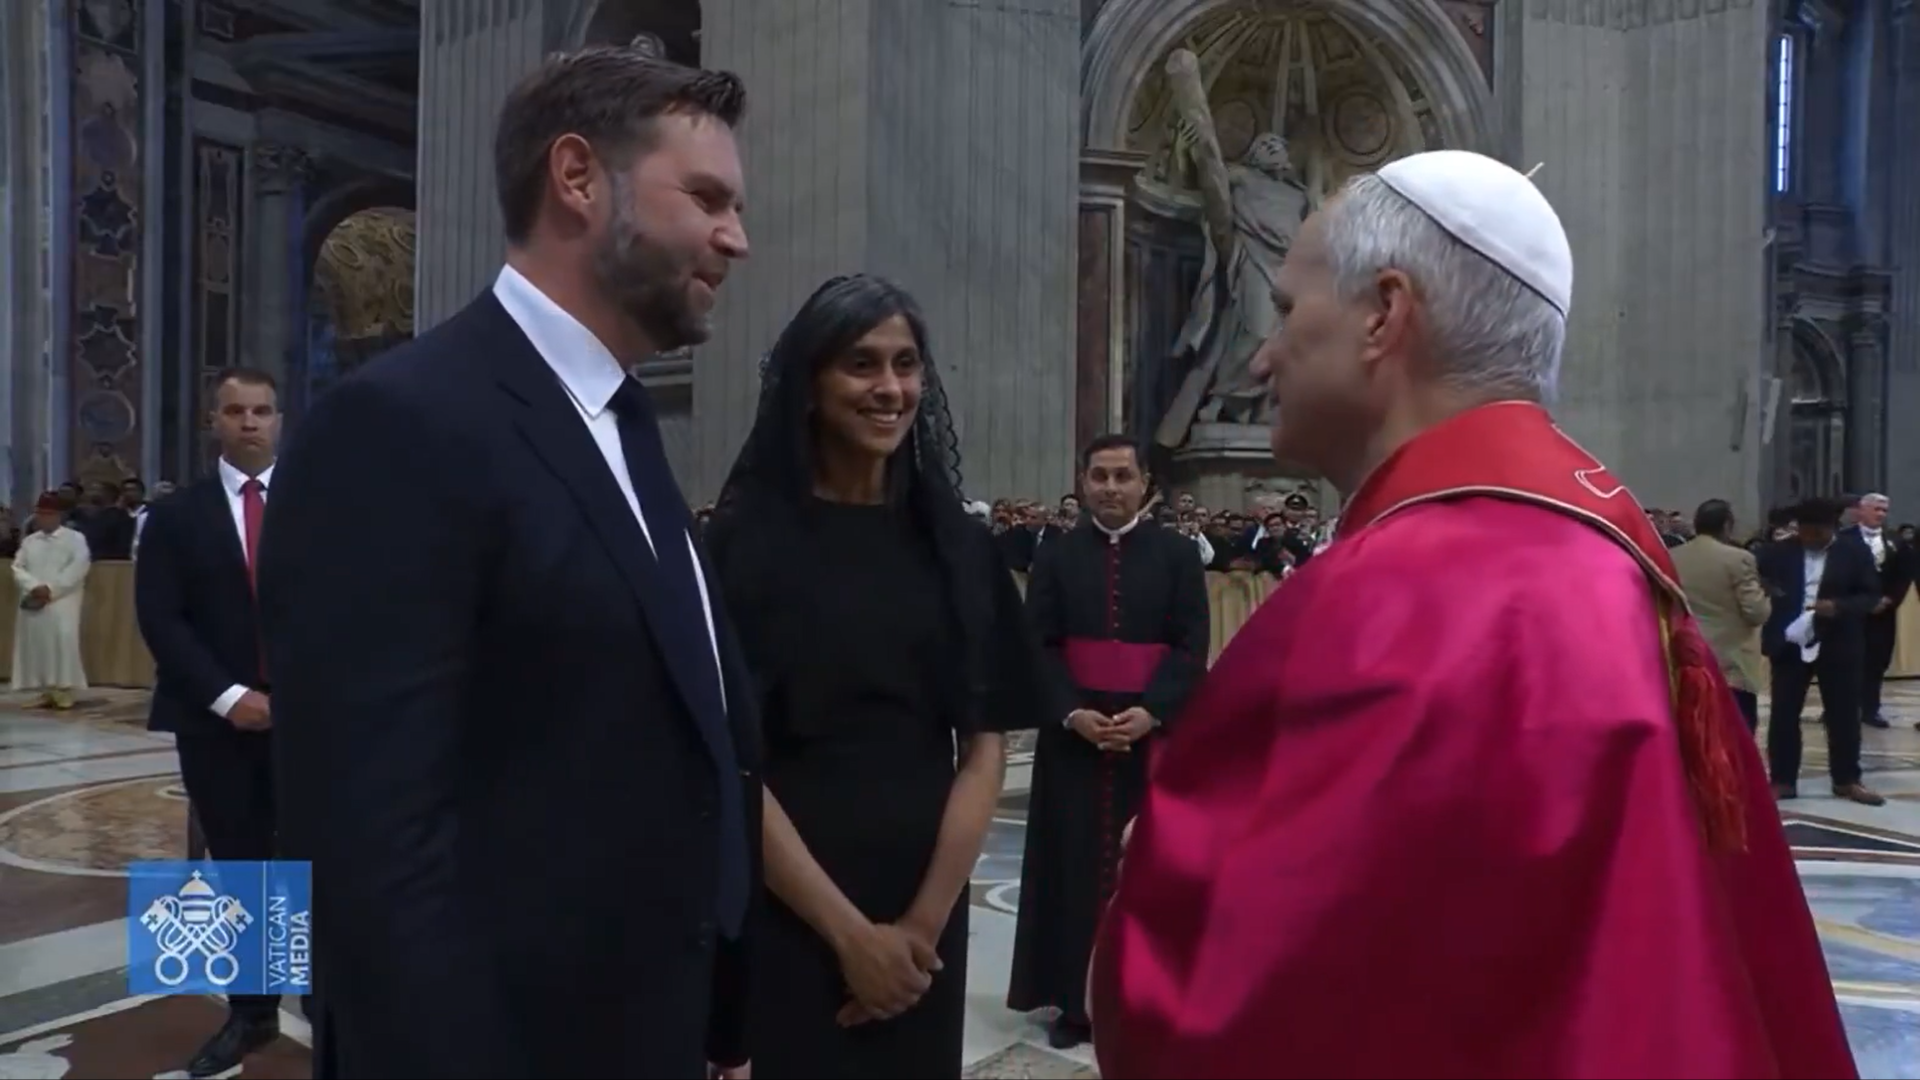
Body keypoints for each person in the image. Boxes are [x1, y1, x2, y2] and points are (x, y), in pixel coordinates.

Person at [1090, 150, 1858, 1078]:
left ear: (1384, 314)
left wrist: (1156, 868)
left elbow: (1232, 1003)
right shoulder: (1605, 567)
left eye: (1288, 311)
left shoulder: (1395, 598)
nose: (1261, 352)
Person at [258, 49, 758, 1079]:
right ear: (578, 178)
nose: (736, 239)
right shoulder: (396, 421)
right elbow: (371, 845)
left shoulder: (623, 424)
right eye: (706, 197)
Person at [703, 274, 1041, 1079]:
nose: (890, 389)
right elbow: (730, 760)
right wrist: (850, 936)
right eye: (861, 365)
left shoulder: (956, 546)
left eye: (906, 364)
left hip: (926, 900)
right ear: (810, 385)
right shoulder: (743, 545)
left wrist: (919, 928)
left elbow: (984, 746)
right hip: (791, 905)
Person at [1006, 433, 1209, 1050]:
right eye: (1100, 476)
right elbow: (1035, 644)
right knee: (1070, 864)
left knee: (1145, 867)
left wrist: (1153, 712)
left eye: (1124, 476)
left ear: (1146, 482)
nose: (1112, 489)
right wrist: (1070, 712)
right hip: (1075, 740)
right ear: (1083, 481)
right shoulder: (1057, 555)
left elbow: (1189, 643)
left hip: (1149, 739)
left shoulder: (1176, 555)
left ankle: (1140, 995)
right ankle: (1074, 1000)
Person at [133, 367, 301, 1076]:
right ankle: (250, 1012)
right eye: (235, 411)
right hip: (214, 720)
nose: (250, 422)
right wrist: (231, 697)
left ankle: (321, 998)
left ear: (280, 419)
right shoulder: (175, 516)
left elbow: (353, 608)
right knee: (238, 866)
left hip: (309, 719)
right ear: (214, 422)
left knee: (311, 858)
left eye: (262, 410)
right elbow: (162, 621)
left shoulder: (321, 506)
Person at [1758, 496, 1883, 806]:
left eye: (1818, 533)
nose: (1810, 538)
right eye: (1805, 532)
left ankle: (1846, 780)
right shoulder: (1777, 553)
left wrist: (1837, 606)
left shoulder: (1853, 552)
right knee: (1784, 714)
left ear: (1832, 528)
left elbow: (1870, 595)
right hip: (1791, 641)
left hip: (1838, 640)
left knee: (1843, 714)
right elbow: (1759, 582)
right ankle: (1783, 780)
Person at [1670, 499, 1770, 733]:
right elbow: (1756, 612)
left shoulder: (1673, 556)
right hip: (1730, 660)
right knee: (1737, 732)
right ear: (1727, 525)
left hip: (1687, 655)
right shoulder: (1738, 559)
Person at [9, 493, 90, 710]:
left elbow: (78, 567)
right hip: (34, 597)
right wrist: (34, 586)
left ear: (59, 515)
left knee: (63, 640)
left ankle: (64, 690)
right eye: (40, 514)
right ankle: (46, 690)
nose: (43, 519)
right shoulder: (29, 541)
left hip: (63, 600)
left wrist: (51, 589)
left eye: (48, 514)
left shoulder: (75, 539)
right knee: (38, 643)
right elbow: (18, 567)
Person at [1843, 493, 1909, 729]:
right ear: (1861, 510)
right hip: (1850, 613)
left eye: (1884, 510)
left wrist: (1890, 600)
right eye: (1876, 509)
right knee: (1846, 661)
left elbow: (1903, 576)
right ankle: (1842, 707)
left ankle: (1871, 709)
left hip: (1882, 614)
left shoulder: (1896, 542)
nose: (1880, 514)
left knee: (1876, 661)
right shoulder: (1843, 539)